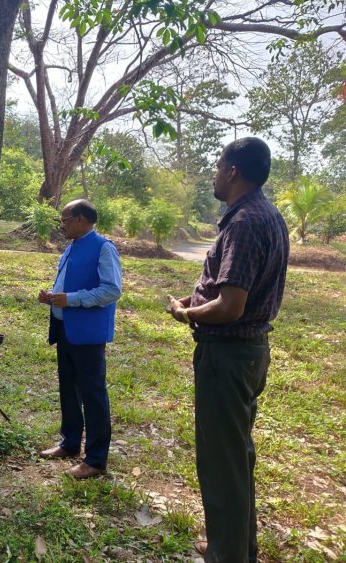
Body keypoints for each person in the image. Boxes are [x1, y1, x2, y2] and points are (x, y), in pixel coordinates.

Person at [166, 137, 289, 562]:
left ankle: (227, 555)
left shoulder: (244, 222)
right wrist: (193, 298)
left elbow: (230, 306)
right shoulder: (265, 215)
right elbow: (230, 287)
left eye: (218, 166)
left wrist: (187, 315)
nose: (215, 175)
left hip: (229, 356)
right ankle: (235, 546)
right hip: (249, 354)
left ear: (233, 171)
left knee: (222, 463)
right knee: (236, 457)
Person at [38, 199, 122, 479]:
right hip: (65, 329)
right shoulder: (71, 246)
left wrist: (71, 300)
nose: (61, 224)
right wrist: (52, 296)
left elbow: (111, 290)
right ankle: (70, 442)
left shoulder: (103, 248)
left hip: (87, 333)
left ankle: (96, 459)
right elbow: (67, 284)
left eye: (65, 219)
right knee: (68, 388)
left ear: (82, 219)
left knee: (93, 394)